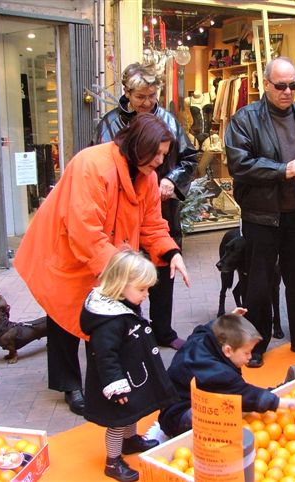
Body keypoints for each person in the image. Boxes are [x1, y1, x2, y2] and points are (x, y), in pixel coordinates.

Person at [15, 113, 190, 416]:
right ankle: (70, 384)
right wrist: (125, 272)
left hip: (109, 255)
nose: (161, 162)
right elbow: (84, 232)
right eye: (158, 153)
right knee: (64, 315)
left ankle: (110, 380)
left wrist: (171, 252)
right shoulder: (91, 165)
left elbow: (152, 224)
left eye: (165, 154)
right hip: (64, 252)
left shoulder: (146, 175)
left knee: (108, 321)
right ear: (139, 146)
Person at [224, 56, 295, 368]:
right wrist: (283, 170)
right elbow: (239, 163)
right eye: (281, 86)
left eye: (293, 85)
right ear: (266, 85)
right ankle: (255, 345)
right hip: (261, 216)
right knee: (259, 283)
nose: (288, 91)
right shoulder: (245, 118)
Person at [92, 62, 198, 351]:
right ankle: (125, 333)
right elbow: (103, 171)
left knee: (165, 270)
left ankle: (162, 330)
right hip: (122, 218)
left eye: (152, 95)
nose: (147, 102)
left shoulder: (168, 120)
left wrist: (172, 182)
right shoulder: (110, 123)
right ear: (127, 93)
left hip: (160, 212)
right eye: (141, 97)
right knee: (124, 275)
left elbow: (189, 158)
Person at [81, 250, 178, 482]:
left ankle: (131, 440)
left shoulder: (124, 304)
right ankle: (113, 461)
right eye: (142, 289)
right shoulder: (109, 321)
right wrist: (115, 385)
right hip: (118, 380)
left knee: (133, 410)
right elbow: (105, 356)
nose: (146, 294)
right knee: (118, 420)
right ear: (121, 285)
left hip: (132, 373)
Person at [157, 309, 295, 438]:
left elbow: (205, 329)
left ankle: (277, 392)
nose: (250, 357)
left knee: (234, 399)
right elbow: (244, 395)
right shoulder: (217, 373)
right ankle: (278, 393)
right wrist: (285, 404)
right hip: (178, 418)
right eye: (246, 352)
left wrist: (227, 320)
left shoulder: (204, 340)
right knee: (231, 407)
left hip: (183, 401)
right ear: (228, 350)